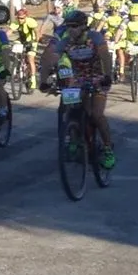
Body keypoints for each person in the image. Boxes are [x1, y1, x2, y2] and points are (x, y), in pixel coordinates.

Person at [38, 10, 116, 170]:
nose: (70, 29)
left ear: (83, 26)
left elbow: (105, 57)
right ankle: (74, 136)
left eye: (74, 26)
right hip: (78, 79)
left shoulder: (95, 37)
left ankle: (108, 148)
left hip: (97, 77)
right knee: (71, 109)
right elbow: (49, 59)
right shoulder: (65, 41)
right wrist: (44, 81)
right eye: (68, 26)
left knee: (96, 114)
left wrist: (107, 76)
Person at [9, 8, 40, 89]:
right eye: (18, 18)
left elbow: (36, 31)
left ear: (26, 16)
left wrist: (37, 40)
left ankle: (33, 78)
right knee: (15, 52)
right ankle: (17, 68)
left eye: (22, 18)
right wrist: (3, 39)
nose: (20, 20)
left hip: (31, 41)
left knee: (30, 59)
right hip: (22, 41)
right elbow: (9, 32)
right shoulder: (16, 22)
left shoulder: (30, 21)